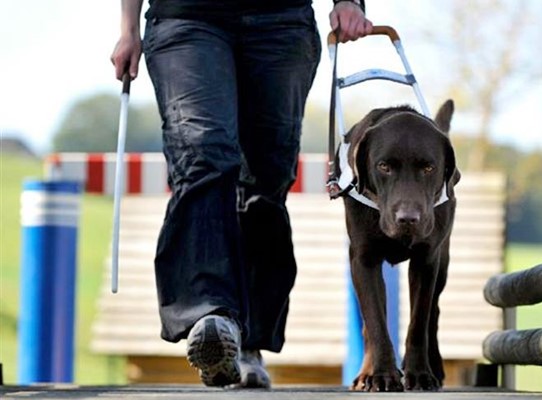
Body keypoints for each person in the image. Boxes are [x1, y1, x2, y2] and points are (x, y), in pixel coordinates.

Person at [111, 0, 372, 389]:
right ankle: (210, 315)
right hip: (186, 18)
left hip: (281, 23)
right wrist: (128, 28)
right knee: (203, 155)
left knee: (266, 180)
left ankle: (247, 341)